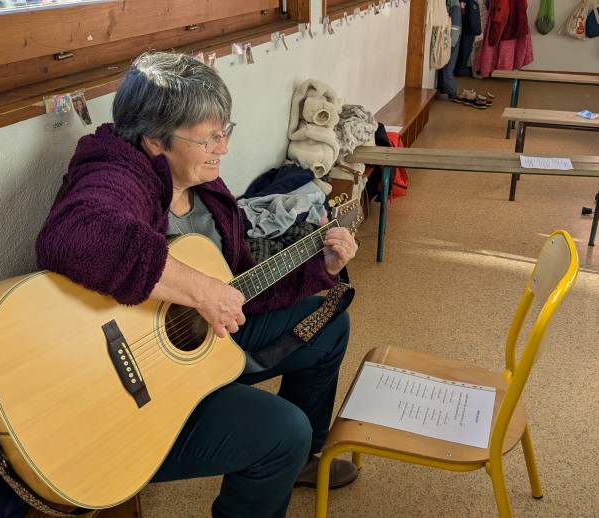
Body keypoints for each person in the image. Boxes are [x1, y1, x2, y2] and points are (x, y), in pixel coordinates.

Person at [35, 52, 360, 518]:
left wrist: (320, 267)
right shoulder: (114, 172)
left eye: (225, 132)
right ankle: (287, 453)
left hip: (202, 339)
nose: (223, 148)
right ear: (153, 140)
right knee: (282, 431)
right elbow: (74, 234)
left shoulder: (206, 188)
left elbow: (240, 285)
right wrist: (199, 290)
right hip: (136, 392)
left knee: (329, 324)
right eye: (209, 137)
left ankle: (298, 464)